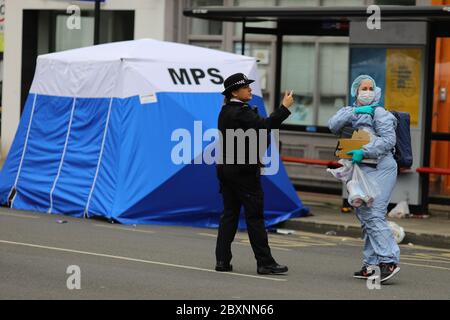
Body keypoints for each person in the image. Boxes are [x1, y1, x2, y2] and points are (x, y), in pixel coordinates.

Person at [215, 72, 294, 275]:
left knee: (229, 215)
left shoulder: (226, 110)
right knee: (255, 217)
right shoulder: (240, 111)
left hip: (226, 170)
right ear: (234, 91)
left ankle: (222, 261)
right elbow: (265, 125)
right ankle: (265, 263)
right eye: (245, 87)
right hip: (244, 173)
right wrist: (284, 108)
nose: (250, 89)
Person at [328, 74, 401, 283]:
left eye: (371, 87)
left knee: (374, 213)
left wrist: (365, 151)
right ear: (355, 91)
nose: (367, 91)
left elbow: (388, 141)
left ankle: (389, 261)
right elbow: (333, 125)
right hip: (361, 171)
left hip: (382, 168)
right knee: (365, 216)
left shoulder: (380, 113)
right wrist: (355, 111)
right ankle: (371, 265)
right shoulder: (349, 111)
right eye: (363, 88)